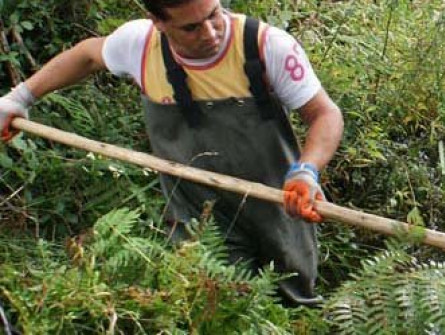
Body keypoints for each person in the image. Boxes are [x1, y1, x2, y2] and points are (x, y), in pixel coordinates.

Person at [0, 0, 343, 306]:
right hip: (197, 217)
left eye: (214, 14)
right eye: (191, 27)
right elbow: (88, 55)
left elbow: (325, 115)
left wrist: (306, 170)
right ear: (158, 22)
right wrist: (19, 98)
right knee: (215, 307)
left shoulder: (266, 46)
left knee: (292, 305)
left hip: (279, 207)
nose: (210, 32)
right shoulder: (139, 46)